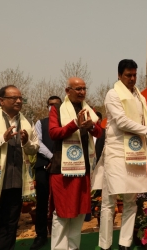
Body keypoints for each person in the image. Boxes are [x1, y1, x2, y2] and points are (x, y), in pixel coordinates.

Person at [92, 59, 147, 250]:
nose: (132, 79)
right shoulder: (112, 94)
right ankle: (105, 245)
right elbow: (121, 122)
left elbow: (139, 120)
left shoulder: (138, 97)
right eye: (128, 75)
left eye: (134, 75)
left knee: (130, 202)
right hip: (116, 153)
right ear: (119, 75)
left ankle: (124, 244)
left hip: (135, 153)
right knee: (109, 203)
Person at [48, 77, 102, 250]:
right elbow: (54, 133)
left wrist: (91, 127)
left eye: (84, 88)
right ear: (67, 91)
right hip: (61, 170)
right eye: (77, 89)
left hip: (83, 168)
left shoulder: (90, 110)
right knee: (62, 213)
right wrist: (75, 124)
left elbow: (99, 132)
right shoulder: (57, 109)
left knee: (78, 212)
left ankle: (73, 247)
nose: (82, 92)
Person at [0, 85, 39, 250]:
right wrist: (3, 138)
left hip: (16, 181)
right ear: (1, 101)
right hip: (1, 180)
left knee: (11, 222)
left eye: (21, 98)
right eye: (13, 98)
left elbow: (34, 148)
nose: (18, 101)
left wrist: (26, 142)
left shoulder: (27, 121)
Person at [30, 96, 62, 250]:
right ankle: (41, 235)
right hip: (43, 165)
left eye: (56, 104)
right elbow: (38, 143)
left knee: (60, 202)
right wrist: (52, 157)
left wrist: (57, 159)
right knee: (42, 202)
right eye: (50, 105)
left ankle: (59, 235)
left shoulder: (66, 123)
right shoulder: (40, 123)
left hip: (61, 166)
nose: (53, 107)